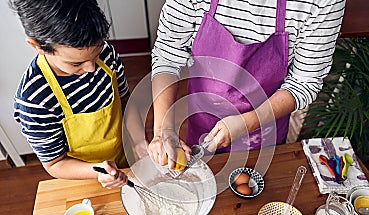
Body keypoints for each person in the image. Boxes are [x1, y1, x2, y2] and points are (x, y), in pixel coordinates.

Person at [148, 0, 346, 169]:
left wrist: (247, 122)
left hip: (264, 131)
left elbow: (304, 82)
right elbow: (167, 55)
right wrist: (163, 130)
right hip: (202, 120)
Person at [10, 0, 146, 189]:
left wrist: (139, 142)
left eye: (96, 54)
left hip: (123, 154)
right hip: (85, 177)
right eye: (76, 64)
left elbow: (125, 103)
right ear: (37, 46)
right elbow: (55, 164)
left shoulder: (107, 54)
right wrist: (98, 171)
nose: (91, 68)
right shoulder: (35, 101)